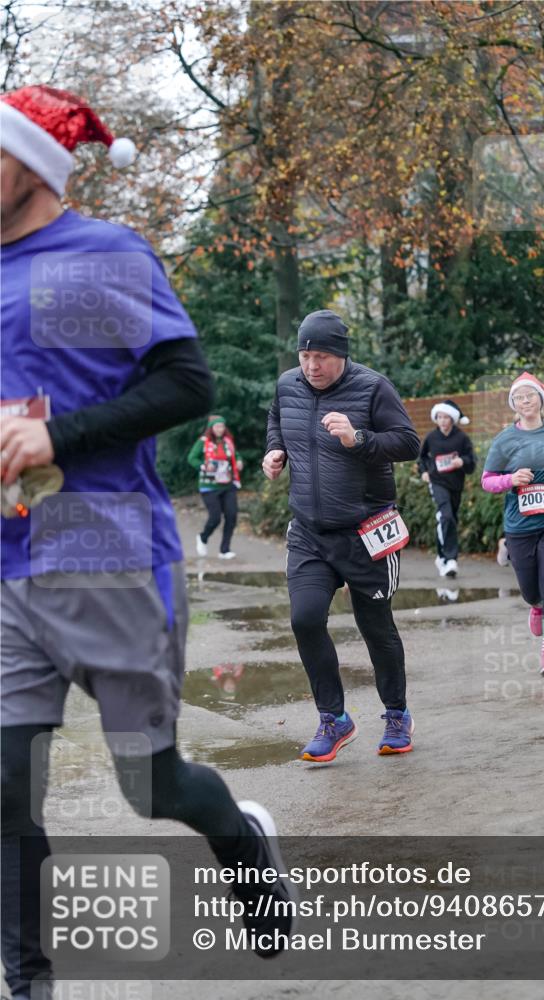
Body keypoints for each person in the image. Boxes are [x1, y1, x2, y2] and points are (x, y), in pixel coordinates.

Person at [0, 85, 295, 999]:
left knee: (148, 783)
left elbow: (184, 386)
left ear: (31, 167)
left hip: (106, 554)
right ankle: (27, 978)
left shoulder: (96, 259)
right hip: (7, 566)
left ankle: (240, 840)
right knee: (7, 786)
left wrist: (60, 435)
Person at [263, 309, 421, 763]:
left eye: (322, 356)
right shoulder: (287, 384)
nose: (312, 365)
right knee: (305, 619)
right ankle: (333, 719)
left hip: (365, 532)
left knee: (375, 627)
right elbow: (278, 419)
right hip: (309, 533)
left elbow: (408, 443)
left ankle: (396, 713)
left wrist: (360, 440)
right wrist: (274, 451)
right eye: (306, 354)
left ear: (342, 356)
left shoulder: (372, 387)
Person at [481, 372, 544, 677]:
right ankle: (535, 605)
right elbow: (487, 481)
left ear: (541, 399)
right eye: (519, 397)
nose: (525, 401)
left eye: (530, 395)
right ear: (514, 404)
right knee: (531, 590)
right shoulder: (505, 440)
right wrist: (510, 479)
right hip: (520, 524)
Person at [418, 399, 476, 578]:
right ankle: (449, 559)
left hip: (455, 484)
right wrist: (424, 472)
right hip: (437, 482)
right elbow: (422, 458)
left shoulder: (462, 438)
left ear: (452, 419)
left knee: (450, 519)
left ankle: (442, 556)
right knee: (446, 515)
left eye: (446, 417)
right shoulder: (431, 437)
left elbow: (471, 461)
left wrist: (462, 461)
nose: (442, 421)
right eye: (439, 417)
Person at [188, 414, 242, 559]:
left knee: (231, 516)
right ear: (211, 428)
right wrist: (203, 465)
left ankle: (224, 550)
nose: (220, 429)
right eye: (217, 426)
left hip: (228, 484)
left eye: (222, 426)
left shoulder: (227, 442)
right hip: (209, 485)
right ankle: (203, 537)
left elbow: (235, 456)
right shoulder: (203, 442)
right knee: (215, 518)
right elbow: (191, 457)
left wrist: (239, 462)